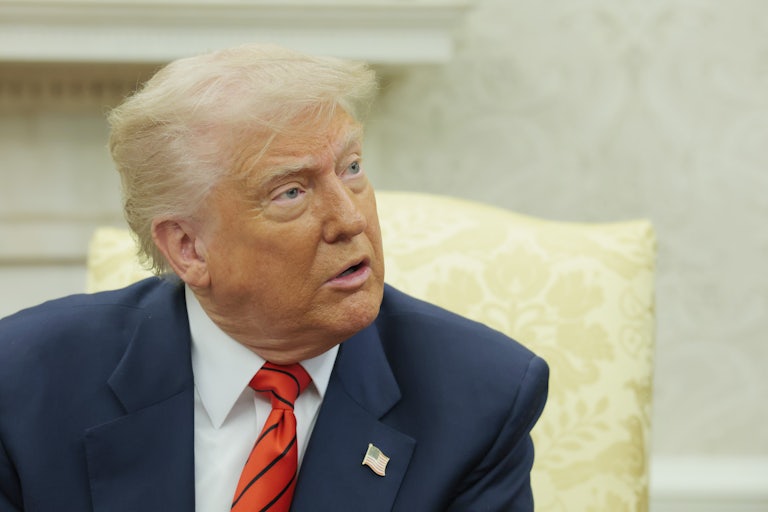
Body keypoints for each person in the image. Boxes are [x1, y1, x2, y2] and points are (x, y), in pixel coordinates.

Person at [0, 44, 548, 511]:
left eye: (351, 168)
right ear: (188, 248)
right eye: (291, 191)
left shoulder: (479, 398)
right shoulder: (25, 384)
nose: (350, 219)